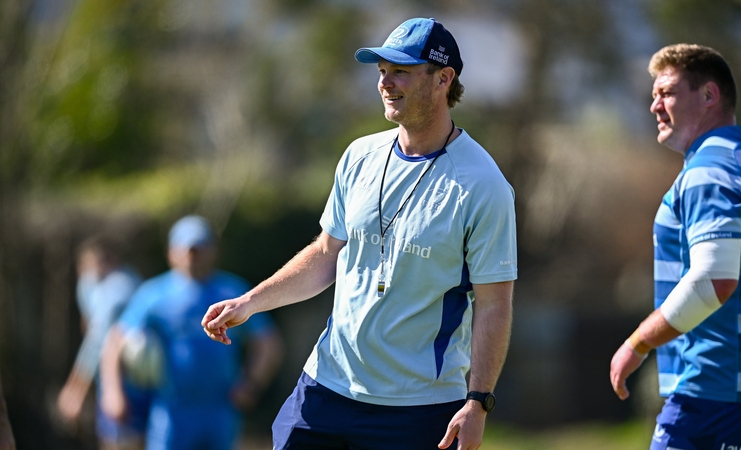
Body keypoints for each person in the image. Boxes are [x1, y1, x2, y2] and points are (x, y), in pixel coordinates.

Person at [201, 17, 517, 450]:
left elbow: (495, 304)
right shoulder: (359, 156)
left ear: (444, 79)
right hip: (326, 387)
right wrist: (251, 302)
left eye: (401, 71)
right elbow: (326, 254)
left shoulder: (483, 185)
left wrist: (478, 401)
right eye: (381, 70)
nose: (386, 82)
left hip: (418, 408)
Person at [609, 44, 741, 450]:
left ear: (710, 95)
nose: (654, 106)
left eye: (667, 92)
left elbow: (715, 279)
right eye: (654, 95)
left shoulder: (709, 168)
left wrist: (638, 343)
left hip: (720, 383)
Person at [101, 215, 283, 450]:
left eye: (199, 249)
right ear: (171, 252)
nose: (192, 256)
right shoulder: (153, 294)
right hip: (172, 408)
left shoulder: (233, 291)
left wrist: (251, 383)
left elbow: (268, 341)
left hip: (220, 406)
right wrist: (113, 393)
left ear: (213, 251)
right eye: (186, 249)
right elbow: (115, 341)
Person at [56, 236, 146, 450]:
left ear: (112, 261)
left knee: (123, 442)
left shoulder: (119, 287)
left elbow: (97, 341)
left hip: (131, 381)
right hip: (114, 378)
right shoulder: (93, 283)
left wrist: (74, 391)